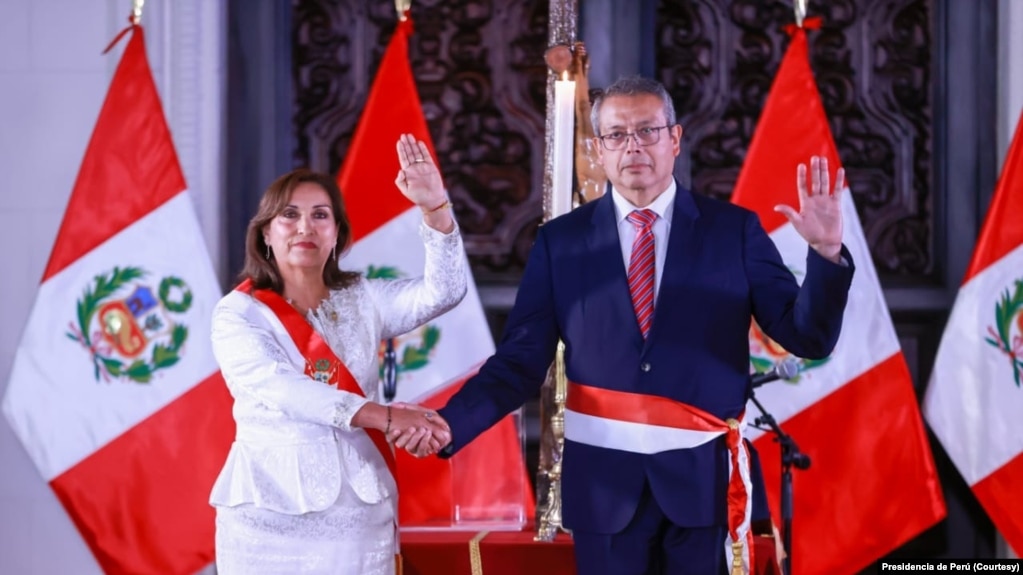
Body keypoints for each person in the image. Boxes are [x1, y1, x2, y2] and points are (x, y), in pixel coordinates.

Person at [421, 76, 855, 575]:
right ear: (597, 149)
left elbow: (807, 337)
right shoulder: (561, 243)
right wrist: (452, 422)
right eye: (617, 135)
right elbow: (520, 361)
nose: (633, 146)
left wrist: (824, 254)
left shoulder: (733, 231)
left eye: (647, 131)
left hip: (700, 486)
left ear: (675, 139)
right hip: (604, 491)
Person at [208, 134, 462, 575]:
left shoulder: (363, 298)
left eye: (320, 216)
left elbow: (444, 292)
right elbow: (283, 389)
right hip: (266, 514)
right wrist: (385, 417)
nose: (305, 227)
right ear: (266, 233)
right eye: (290, 215)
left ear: (337, 236)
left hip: (357, 510)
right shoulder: (238, 313)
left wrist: (434, 208)